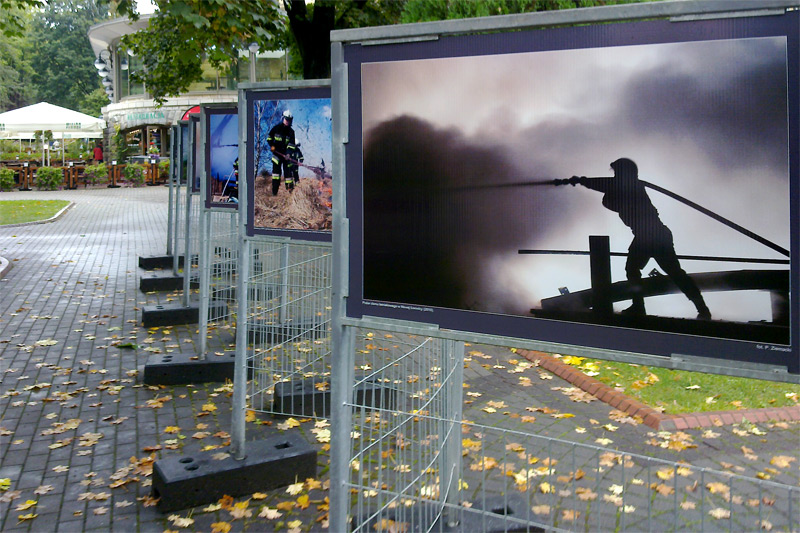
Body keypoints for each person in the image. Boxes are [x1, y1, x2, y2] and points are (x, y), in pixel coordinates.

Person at [567, 158, 711, 319]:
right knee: (665, 272)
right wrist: (583, 181)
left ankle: (642, 306)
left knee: (645, 270)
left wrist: (583, 181)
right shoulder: (625, 189)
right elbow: (606, 186)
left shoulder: (631, 187)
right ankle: (700, 308)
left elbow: (606, 185)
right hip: (652, 235)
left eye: (617, 173)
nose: (615, 176)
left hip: (651, 234)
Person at [267, 110, 296, 195]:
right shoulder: (276, 128)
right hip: (277, 155)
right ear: (283, 118)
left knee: (288, 175)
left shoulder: (291, 132)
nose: (288, 121)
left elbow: (291, 145)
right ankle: (274, 193)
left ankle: (290, 193)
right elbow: (269, 138)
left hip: (286, 157)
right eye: (286, 119)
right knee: (276, 175)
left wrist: (288, 154)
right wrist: (272, 146)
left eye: (289, 120)